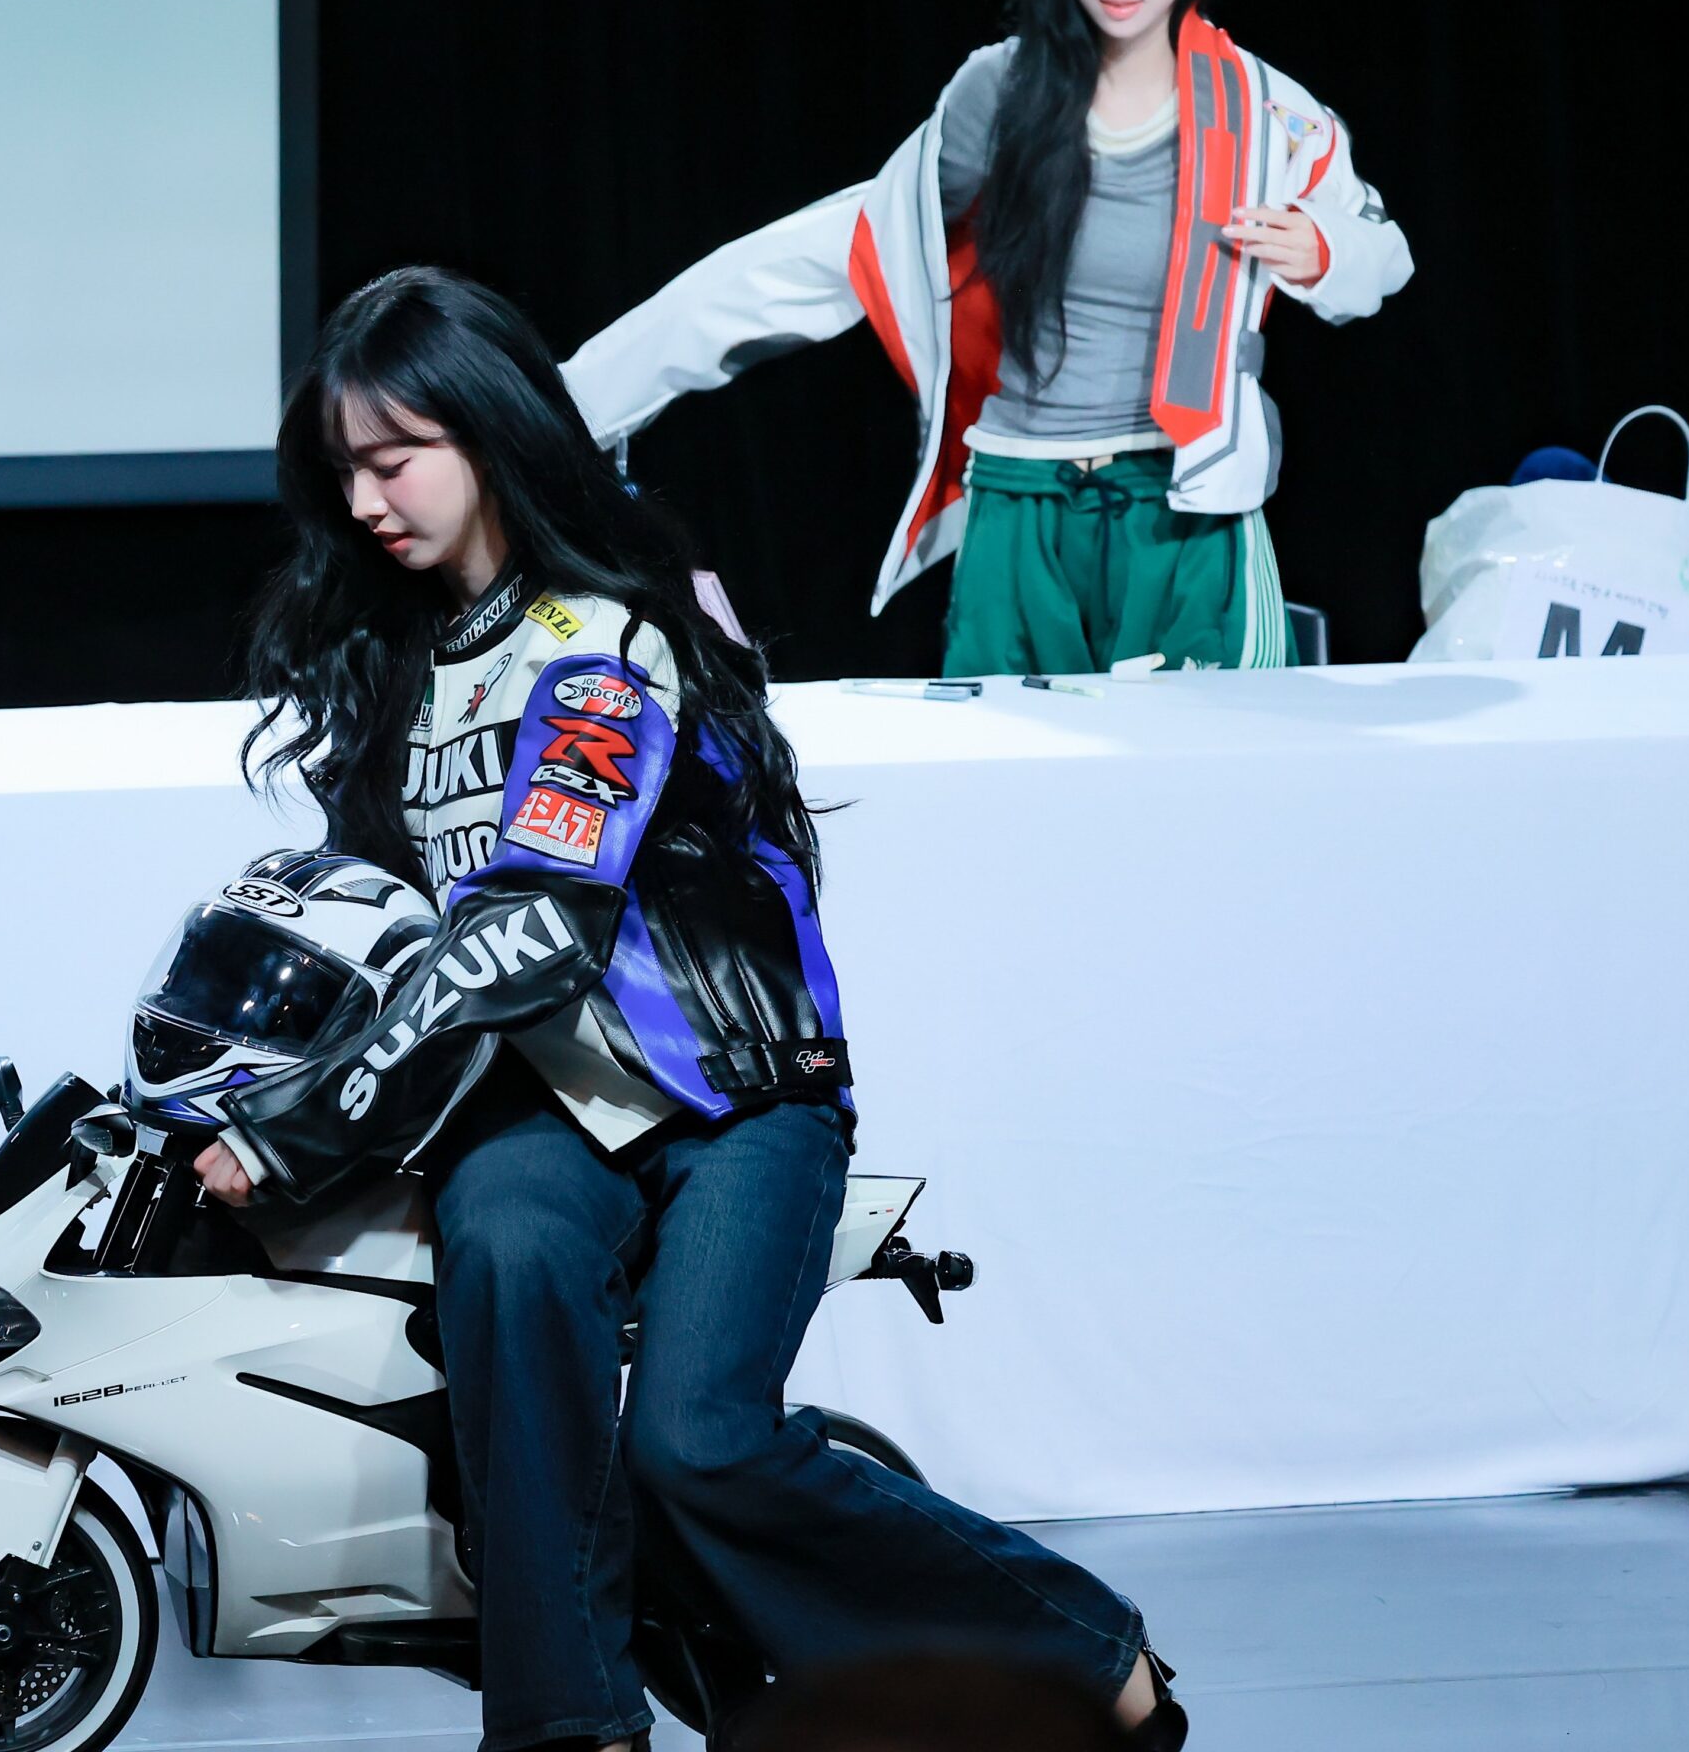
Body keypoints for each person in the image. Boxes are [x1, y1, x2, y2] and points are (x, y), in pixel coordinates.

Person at [190, 266, 1186, 1751]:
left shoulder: (605, 638)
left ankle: (1078, 1649)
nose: (362, 499)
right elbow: (375, 926)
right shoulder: (400, 664)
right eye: (342, 470)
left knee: (699, 1443)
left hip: (738, 1101)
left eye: (394, 458)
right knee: (508, 1268)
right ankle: (571, 1728)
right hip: (534, 1109)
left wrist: (299, 1127)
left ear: (489, 431)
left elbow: (535, 926)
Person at [560, 0, 1413, 675]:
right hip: (1018, 500)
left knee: (1213, 757)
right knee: (1011, 759)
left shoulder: (1263, 112)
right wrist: (571, 404)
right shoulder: (1001, 91)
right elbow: (845, 246)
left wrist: (1324, 250)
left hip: (1186, 504)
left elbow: (1383, 253)